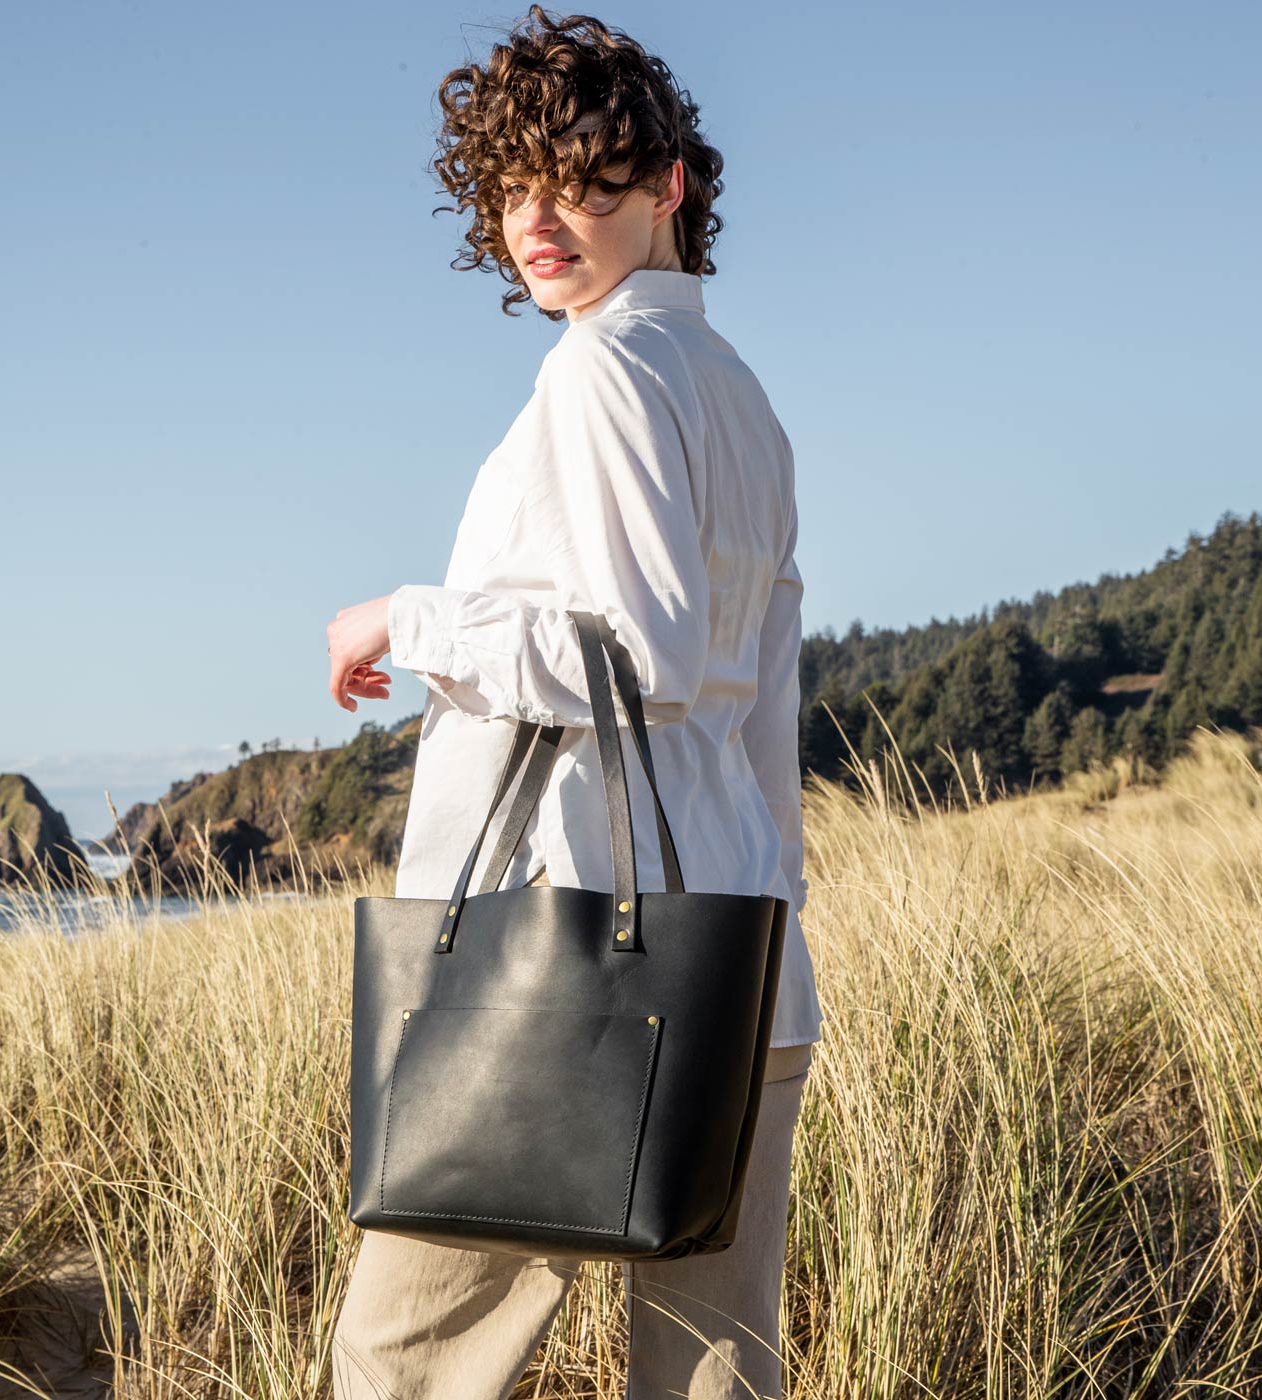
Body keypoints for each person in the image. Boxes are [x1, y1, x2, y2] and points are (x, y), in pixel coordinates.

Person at [323, 7, 823, 1396]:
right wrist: (774, 929)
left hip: (560, 964)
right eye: (513, 187)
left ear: (670, 184)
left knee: (402, 1364)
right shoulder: (738, 395)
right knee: (716, 1366)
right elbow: (759, 705)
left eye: (585, 179)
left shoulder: (602, 373)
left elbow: (641, 658)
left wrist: (408, 618)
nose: (539, 221)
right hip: (735, 960)